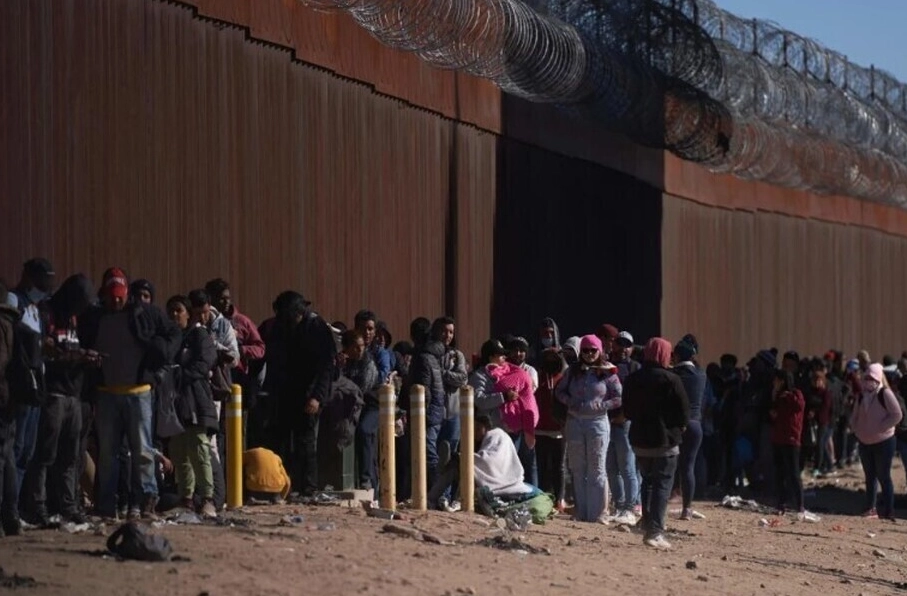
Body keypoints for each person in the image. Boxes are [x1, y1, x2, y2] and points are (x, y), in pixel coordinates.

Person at [78, 268, 181, 519]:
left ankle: (145, 502)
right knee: (108, 454)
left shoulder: (145, 313)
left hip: (139, 392)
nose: (116, 301)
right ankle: (107, 505)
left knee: (143, 451)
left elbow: (174, 333)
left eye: (120, 296)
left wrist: (160, 357)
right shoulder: (94, 317)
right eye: (112, 296)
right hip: (106, 393)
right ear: (103, 295)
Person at [25, 274, 95, 526]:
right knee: (45, 455)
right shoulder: (48, 313)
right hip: (53, 393)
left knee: (70, 456)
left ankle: (69, 506)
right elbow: (45, 352)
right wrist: (74, 357)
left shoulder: (74, 318)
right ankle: (38, 506)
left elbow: (70, 349)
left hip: (73, 394)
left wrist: (85, 357)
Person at [623, 338, 689, 550]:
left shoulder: (633, 379)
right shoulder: (672, 379)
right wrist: (678, 427)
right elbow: (684, 412)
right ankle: (655, 532)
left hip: (639, 441)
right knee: (662, 485)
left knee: (648, 481)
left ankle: (646, 522)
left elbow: (627, 411)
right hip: (665, 442)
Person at [273, 292, 336, 496]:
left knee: (306, 441)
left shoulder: (316, 328)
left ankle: (308, 486)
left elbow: (326, 368)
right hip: (290, 391)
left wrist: (317, 396)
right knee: (286, 440)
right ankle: (287, 483)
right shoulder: (286, 327)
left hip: (310, 392)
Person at [555, 334, 621, 523]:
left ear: (600, 351)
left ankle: (599, 512)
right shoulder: (572, 371)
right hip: (575, 423)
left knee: (597, 468)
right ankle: (581, 511)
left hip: (597, 423)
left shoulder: (608, 372)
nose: (589, 354)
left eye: (593, 350)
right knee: (577, 468)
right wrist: (570, 402)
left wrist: (601, 406)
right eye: (585, 350)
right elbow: (559, 391)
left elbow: (618, 397)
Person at [165, 296, 218, 518]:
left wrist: (178, 375)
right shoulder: (170, 338)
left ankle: (207, 498)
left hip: (195, 400)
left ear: (188, 313)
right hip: (175, 404)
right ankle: (186, 499)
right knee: (179, 451)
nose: (174, 315)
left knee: (199, 448)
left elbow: (204, 363)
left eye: (179, 310)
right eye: (171, 311)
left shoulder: (198, 335)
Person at [13, 258, 55, 499]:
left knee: (27, 451)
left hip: (37, 385)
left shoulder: (37, 309)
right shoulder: (14, 301)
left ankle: (15, 505)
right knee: (15, 448)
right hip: (21, 386)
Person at [851, 363, 900, 520]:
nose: (868, 381)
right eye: (866, 378)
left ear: (878, 378)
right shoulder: (861, 396)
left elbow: (897, 415)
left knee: (884, 476)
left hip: (884, 441)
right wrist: (856, 430)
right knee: (870, 476)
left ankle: (889, 510)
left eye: (872, 378)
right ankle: (870, 508)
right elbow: (854, 416)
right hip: (865, 442)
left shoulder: (885, 394)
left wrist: (881, 427)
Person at [768, 369, 817, 521]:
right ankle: (781, 504)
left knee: (794, 473)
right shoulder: (777, 395)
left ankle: (800, 505)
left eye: (776, 380)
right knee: (780, 473)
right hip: (778, 438)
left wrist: (784, 396)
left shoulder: (796, 394)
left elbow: (799, 406)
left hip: (791, 439)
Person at [487, 355, 538, 486]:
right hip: (514, 423)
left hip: (521, 421)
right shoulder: (503, 371)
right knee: (515, 463)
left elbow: (503, 386)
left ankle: (532, 491)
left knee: (522, 462)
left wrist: (505, 393)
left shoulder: (524, 372)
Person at [608, 330, 641, 524]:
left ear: (632, 348)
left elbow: (638, 397)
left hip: (625, 423)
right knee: (611, 468)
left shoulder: (635, 368)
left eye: (627, 345)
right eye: (620, 343)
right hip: (606, 422)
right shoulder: (606, 365)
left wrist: (626, 414)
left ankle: (631, 506)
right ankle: (619, 505)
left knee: (628, 468)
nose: (623, 348)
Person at [341, 330, 380, 491]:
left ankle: (367, 479)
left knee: (365, 431)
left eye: (362, 346)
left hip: (371, 406)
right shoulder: (344, 362)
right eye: (356, 347)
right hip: (351, 406)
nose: (360, 350)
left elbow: (362, 388)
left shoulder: (368, 363)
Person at [672, 336, 705, 521]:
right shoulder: (701, 375)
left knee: (670, 465)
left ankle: (665, 499)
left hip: (676, 424)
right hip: (695, 424)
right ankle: (687, 508)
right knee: (688, 467)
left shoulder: (673, 375)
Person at [0, 282, 23, 536]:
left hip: (2, 396)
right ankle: (11, 517)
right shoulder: (14, 325)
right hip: (12, 399)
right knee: (8, 459)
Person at [535, 348, 568, 511]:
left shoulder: (563, 378)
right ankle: (543, 497)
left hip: (558, 430)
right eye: (547, 358)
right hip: (539, 428)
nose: (550, 361)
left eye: (554, 358)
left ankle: (560, 498)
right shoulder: (537, 377)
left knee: (559, 466)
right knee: (542, 465)